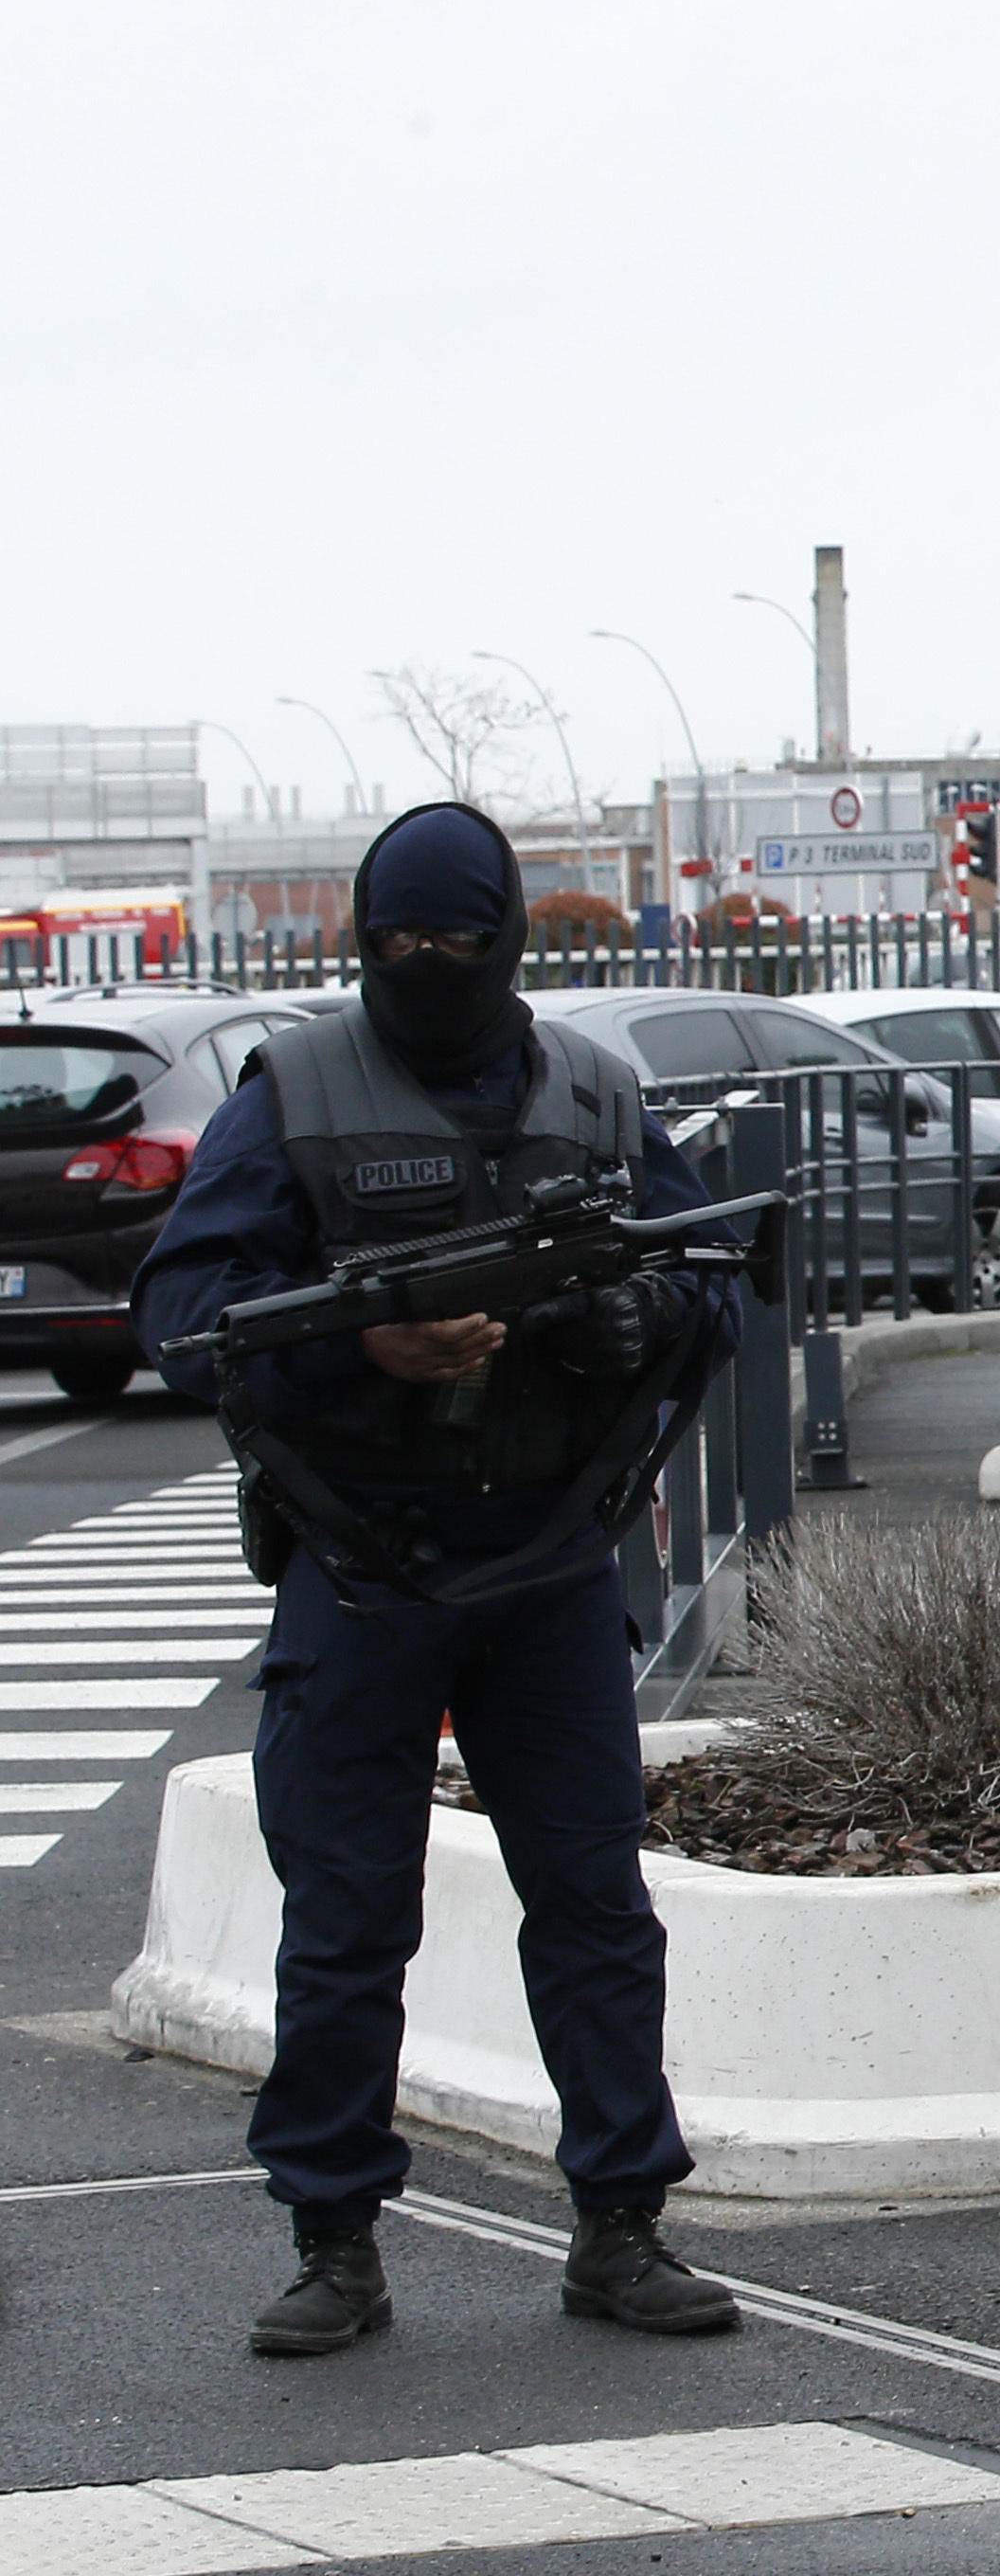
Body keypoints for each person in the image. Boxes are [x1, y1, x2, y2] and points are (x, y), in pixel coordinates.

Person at [135, 802, 748, 2359]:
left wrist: (643, 1324)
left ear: (506, 940)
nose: (423, 967)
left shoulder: (595, 1098)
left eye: (452, 943)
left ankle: (623, 2225)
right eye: (396, 943)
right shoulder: (295, 1096)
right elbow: (187, 1310)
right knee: (345, 1919)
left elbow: (715, 1284)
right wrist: (367, 1341)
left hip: (547, 1567)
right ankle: (333, 2239)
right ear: (359, 938)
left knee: (595, 1909)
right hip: (365, 1561)